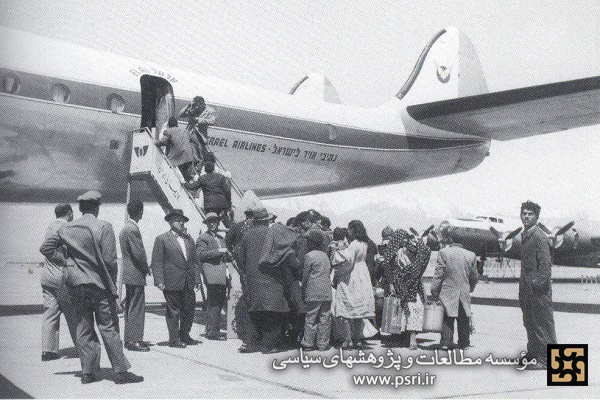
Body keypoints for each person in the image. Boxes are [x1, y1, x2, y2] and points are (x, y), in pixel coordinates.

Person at [40, 191, 143, 385]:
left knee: (84, 328)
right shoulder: (104, 226)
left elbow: (46, 249)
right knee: (109, 327)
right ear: (97, 207)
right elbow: (110, 261)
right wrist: (112, 286)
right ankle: (120, 372)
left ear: (80, 208)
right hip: (100, 286)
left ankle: (88, 372)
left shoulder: (66, 228)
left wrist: (67, 261)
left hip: (77, 286)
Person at [238, 207, 289, 353]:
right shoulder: (273, 233)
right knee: (273, 312)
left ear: (254, 221)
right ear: (267, 220)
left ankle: (250, 342)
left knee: (254, 310)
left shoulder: (247, 235)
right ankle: (269, 345)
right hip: (273, 278)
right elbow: (282, 256)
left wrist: (249, 272)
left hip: (254, 279)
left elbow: (241, 259)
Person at [151, 209, 202, 348]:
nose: (180, 223)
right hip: (171, 281)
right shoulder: (162, 239)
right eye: (177, 220)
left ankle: (185, 335)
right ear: (170, 221)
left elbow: (195, 262)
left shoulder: (189, 240)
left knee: (189, 309)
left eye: (182, 220)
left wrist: (197, 279)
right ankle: (174, 339)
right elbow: (157, 262)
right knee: (174, 311)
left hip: (188, 281)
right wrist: (159, 280)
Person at [518, 200, 557, 370]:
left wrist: (536, 285)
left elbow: (545, 265)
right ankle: (534, 353)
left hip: (538, 291)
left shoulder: (539, 236)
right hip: (527, 289)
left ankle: (546, 359)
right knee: (529, 321)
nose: (526, 216)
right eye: (524, 213)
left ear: (536, 217)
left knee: (542, 323)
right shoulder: (526, 234)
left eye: (530, 214)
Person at [40, 203, 78, 362]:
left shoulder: (50, 227)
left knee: (50, 313)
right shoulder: (66, 228)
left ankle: (48, 351)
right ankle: (82, 345)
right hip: (62, 278)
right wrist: (64, 259)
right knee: (73, 313)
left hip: (47, 277)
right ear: (69, 213)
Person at [382, 229, 432, 349]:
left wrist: (391, 283)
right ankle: (409, 338)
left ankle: (407, 338)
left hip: (403, 284)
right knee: (411, 309)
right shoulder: (406, 251)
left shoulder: (397, 251)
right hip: (409, 284)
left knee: (407, 309)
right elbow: (423, 256)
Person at [330, 220, 375, 349]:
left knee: (346, 308)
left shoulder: (353, 244)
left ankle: (347, 338)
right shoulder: (364, 243)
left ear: (354, 230)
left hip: (352, 276)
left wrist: (337, 271)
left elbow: (348, 262)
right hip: (362, 274)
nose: (347, 231)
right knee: (358, 312)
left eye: (349, 229)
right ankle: (358, 338)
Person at [429, 235, 478, 350]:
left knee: (447, 318)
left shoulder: (444, 252)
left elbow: (438, 274)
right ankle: (464, 343)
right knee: (464, 318)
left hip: (447, 291)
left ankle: (446, 343)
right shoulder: (471, 255)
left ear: (451, 240)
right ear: (463, 242)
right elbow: (474, 276)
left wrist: (434, 290)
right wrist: (470, 289)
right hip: (463, 292)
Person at [118, 200, 151, 352]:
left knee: (130, 307)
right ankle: (134, 340)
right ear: (140, 212)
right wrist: (146, 268)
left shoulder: (125, 228)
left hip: (129, 274)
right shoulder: (132, 229)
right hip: (135, 273)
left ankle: (130, 338)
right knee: (137, 307)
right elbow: (138, 253)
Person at [196, 213, 231, 340]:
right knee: (215, 304)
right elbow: (201, 255)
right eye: (210, 222)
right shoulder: (203, 238)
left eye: (214, 222)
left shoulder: (221, 238)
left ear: (218, 223)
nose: (212, 224)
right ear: (206, 223)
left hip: (221, 274)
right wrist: (219, 251)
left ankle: (211, 330)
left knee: (216, 303)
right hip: (212, 274)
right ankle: (213, 332)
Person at [300, 230, 333, 351]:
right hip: (326, 292)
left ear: (313, 242)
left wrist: (303, 290)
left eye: (308, 241)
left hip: (314, 292)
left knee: (311, 318)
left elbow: (305, 276)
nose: (307, 243)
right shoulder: (325, 255)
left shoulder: (309, 256)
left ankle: (308, 343)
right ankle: (323, 344)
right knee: (325, 319)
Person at [184, 161, 232, 228]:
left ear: (205, 170)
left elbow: (192, 187)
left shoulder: (202, 178)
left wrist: (184, 183)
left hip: (210, 205)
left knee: (212, 221)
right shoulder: (221, 177)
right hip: (221, 204)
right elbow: (227, 191)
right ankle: (230, 230)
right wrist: (229, 202)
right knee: (225, 218)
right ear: (213, 169)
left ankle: (213, 233)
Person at [154, 116, 196, 182]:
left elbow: (162, 142)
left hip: (176, 159)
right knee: (189, 179)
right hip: (188, 158)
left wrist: (154, 142)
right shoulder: (185, 131)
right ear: (177, 124)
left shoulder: (168, 131)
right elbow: (193, 140)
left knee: (177, 179)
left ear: (169, 125)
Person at [178, 96, 216, 167]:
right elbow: (180, 115)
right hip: (189, 132)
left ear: (202, 104)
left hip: (200, 135)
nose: (196, 107)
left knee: (199, 155)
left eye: (197, 105)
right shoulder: (194, 108)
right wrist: (188, 106)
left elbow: (212, 121)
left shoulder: (210, 111)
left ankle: (198, 169)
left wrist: (199, 120)